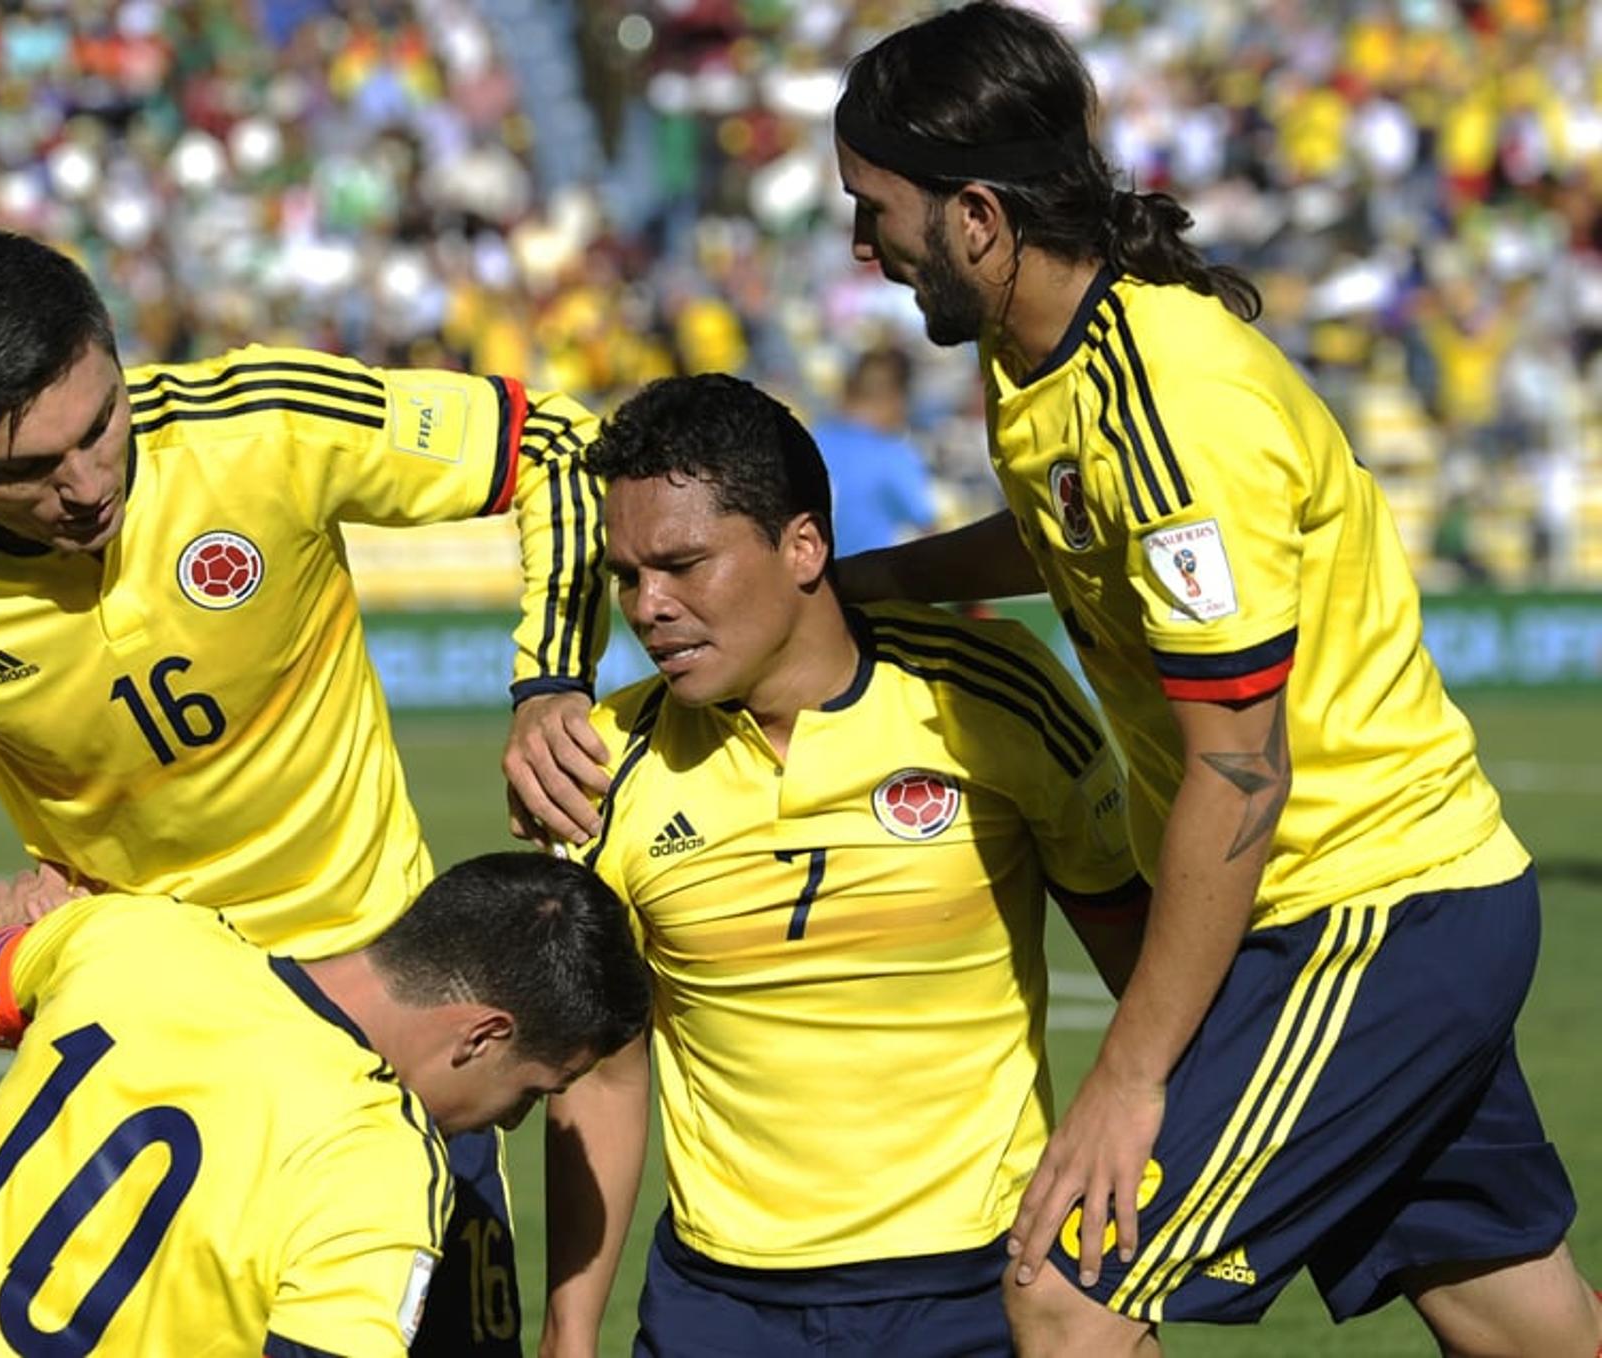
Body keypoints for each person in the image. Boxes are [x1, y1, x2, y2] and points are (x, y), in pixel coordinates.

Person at [831, 5, 1601, 1353]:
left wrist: (1129, 1074)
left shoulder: (1172, 401)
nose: (859, 246)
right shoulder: (1044, 361)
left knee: (1069, 1287)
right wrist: (863, 586)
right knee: (1520, 1314)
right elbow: (1076, 525)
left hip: (1364, 914)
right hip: (1388, 909)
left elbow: (1243, 766)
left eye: (873, 208)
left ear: (975, 216)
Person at [0, 227, 612, 1355]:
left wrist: (552, 677)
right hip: (151, 1041)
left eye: (99, 425)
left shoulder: (264, 424)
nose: (86, 487)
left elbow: (555, 443)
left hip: (401, 1013)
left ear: (113, 352)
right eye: (27, 469)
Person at [536, 373, 1147, 1358]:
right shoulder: (603, 766)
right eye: (628, 575)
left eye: (684, 564)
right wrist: (568, 1337)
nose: (648, 607)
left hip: (987, 1285)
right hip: (718, 1308)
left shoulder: (996, 694)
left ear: (804, 546)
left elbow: (1148, 975)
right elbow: (602, 1076)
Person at [0, 853, 652, 1357]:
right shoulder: (383, 1165)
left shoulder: (139, 939)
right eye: (533, 1089)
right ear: (480, 1032)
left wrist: (17, 932)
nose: (512, 1122)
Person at [812, 344, 939, 556]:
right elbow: (931, 533)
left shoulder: (808, 440)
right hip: (862, 583)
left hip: (804, 582)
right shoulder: (891, 455)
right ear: (895, 398)